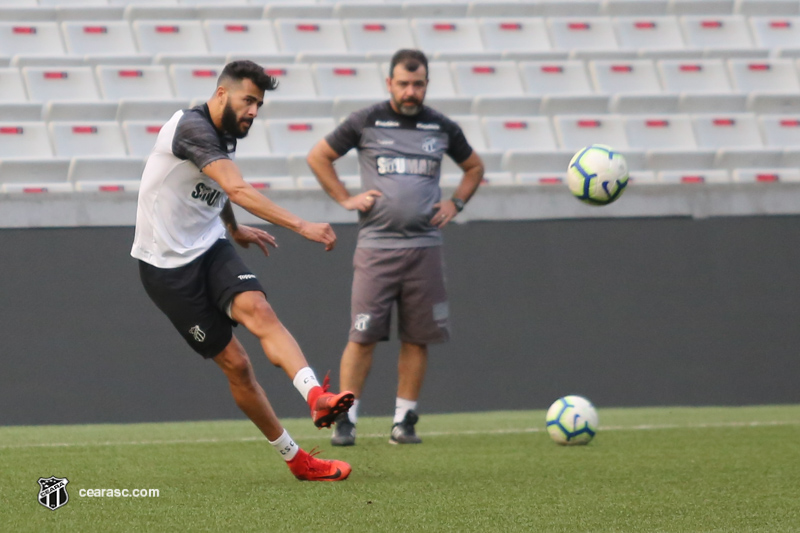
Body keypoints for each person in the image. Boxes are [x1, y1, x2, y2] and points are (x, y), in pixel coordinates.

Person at [131, 60, 354, 481]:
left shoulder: (227, 134)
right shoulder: (191, 128)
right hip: (166, 268)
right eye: (248, 100)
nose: (253, 110)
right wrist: (302, 224)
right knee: (237, 366)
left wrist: (233, 229)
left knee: (260, 311)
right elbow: (234, 185)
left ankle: (317, 396)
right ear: (221, 95)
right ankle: (296, 458)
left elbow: (216, 185)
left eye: (259, 104)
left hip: (210, 245)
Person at [307, 49, 484, 446]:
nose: (410, 91)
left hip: (424, 247)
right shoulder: (367, 120)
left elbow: (474, 167)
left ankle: (404, 421)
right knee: (362, 335)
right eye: (403, 83)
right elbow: (318, 156)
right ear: (389, 83)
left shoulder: (441, 126)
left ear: (426, 84)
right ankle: (345, 418)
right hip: (377, 246)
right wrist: (346, 199)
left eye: (417, 83)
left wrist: (456, 202)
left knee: (417, 337)